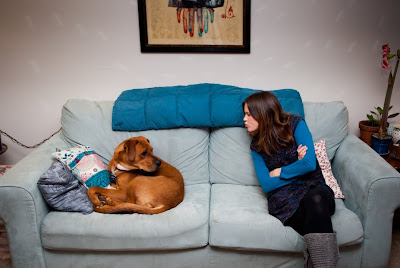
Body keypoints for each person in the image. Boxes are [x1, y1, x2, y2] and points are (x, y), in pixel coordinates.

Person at [242, 91, 339, 268]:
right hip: (285, 202)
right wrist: (298, 165)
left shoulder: (296, 125)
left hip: (315, 190)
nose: (244, 119)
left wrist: (279, 171)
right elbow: (266, 184)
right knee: (316, 218)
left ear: (262, 113)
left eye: (248, 114)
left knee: (315, 199)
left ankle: (315, 260)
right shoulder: (256, 147)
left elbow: (309, 164)